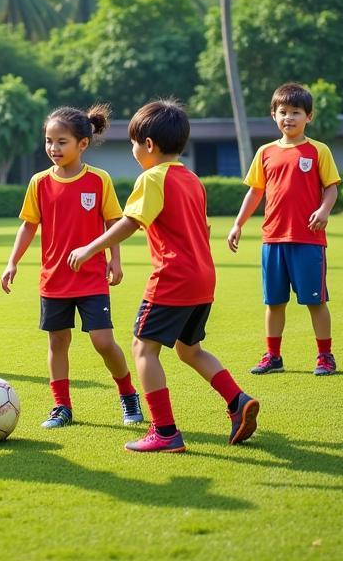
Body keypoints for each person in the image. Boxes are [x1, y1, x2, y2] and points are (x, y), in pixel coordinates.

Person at [69, 100, 258, 452]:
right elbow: (202, 226)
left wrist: (91, 248)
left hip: (173, 276)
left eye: (133, 143)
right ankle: (238, 401)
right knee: (190, 350)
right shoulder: (192, 179)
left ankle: (165, 432)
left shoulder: (151, 178)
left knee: (143, 348)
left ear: (149, 145)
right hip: (203, 277)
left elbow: (130, 222)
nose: (133, 150)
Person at [2, 105, 143, 429]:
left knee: (103, 342)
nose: (53, 148)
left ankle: (127, 394)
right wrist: (12, 262)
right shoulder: (39, 183)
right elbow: (28, 226)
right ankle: (61, 406)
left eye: (61, 141)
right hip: (53, 281)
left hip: (92, 278)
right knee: (57, 342)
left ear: (82, 144)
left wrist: (115, 261)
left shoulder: (98, 180)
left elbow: (113, 222)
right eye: (49, 141)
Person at [227, 82, 342, 376]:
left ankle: (325, 356)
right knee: (274, 302)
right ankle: (273, 357)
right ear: (273, 115)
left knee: (315, 302)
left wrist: (324, 209)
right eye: (283, 112)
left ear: (309, 117)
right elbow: (254, 192)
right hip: (273, 240)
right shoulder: (265, 152)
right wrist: (238, 224)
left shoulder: (319, 150)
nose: (289, 117)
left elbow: (331, 188)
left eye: (296, 112)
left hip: (308, 239)